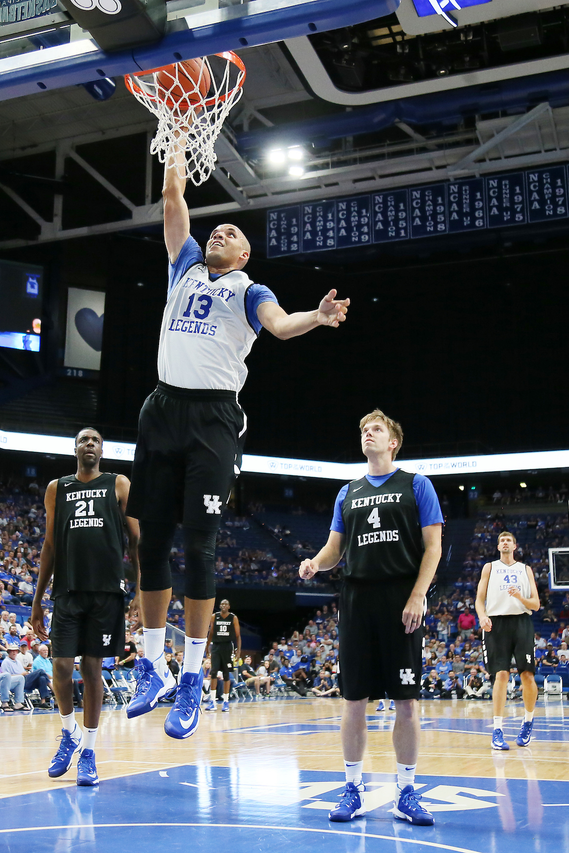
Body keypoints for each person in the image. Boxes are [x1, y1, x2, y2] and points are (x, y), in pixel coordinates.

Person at [123, 135, 350, 741]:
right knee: (150, 542)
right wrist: (176, 142)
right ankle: (153, 665)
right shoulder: (184, 265)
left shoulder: (251, 290)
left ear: (245, 254)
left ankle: (191, 677)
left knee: (199, 547)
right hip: (161, 409)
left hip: (214, 419)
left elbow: (281, 326)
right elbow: (173, 198)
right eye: (215, 229)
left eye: (230, 233)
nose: (218, 233)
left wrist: (317, 316)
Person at [299, 410, 442, 827]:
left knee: (406, 701)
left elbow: (433, 547)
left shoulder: (416, 485)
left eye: (376, 429)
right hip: (357, 600)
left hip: (401, 599)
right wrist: (315, 563)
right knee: (353, 699)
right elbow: (335, 550)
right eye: (364, 429)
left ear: (393, 441)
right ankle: (353, 788)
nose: (368, 434)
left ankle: (406, 792)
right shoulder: (348, 492)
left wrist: (418, 595)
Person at [31, 426, 138, 784]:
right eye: (83, 440)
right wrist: (37, 600)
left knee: (92, 671)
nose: (89, 444)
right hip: (67, 590)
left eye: (95, 440)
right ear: (75, 449)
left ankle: (89, 752)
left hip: (106, 593)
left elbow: (136, 539)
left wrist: (141, 590)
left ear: (102, 451)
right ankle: (69, 732)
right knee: (61, 667)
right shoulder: (57, 488)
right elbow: (49, 544)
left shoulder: (118, 483)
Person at [475, 531, 540, 750]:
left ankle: (528, 722)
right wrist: (482, 616)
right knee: (501, 675)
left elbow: (536, 604)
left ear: (514, 546)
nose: (505, 543)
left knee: (527, 675)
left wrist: (520, 597)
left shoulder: (525, 569)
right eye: (502, 540)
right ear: (498, 546)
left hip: (521, 622)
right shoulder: (489, 567)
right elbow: (479, 600)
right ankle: (497, 730)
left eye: (508, 540)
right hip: (496, 623)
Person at [205, 599, 241, 712]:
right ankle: (213, 701)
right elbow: (211, 632)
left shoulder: (233, 618)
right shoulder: (214, 616)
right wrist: (207, 646)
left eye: (225, 604)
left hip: (227, 647)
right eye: (222, 604)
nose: (223, 605)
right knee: (214, 672)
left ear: (229, 606)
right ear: (219, 606)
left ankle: (226, 701)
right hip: (216, 646)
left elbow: (238, 635)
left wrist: (238, 651)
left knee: (226, 674)